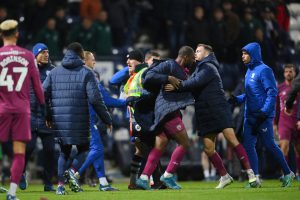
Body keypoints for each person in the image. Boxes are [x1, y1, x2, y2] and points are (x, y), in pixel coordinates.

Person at [165, 44, 257, 189]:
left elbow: (194, 83)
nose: (195, 53)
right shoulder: (199, 68)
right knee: (208, 149)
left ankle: (252, 175)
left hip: (218, 108)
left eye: (198, 51)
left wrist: (177, 86)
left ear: (207, 53)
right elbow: (192, 86)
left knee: (233, 141)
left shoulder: (209, 67)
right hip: (205, 111)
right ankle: (225, 176)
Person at [43, 42, 112, 195]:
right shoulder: (87, 72)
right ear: (81, 55)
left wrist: (48, 115)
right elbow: (95, 99)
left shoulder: (54, 72)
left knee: (64, 152)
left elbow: (43, 95)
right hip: (81, 119)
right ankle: (72, 171)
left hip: (59, 121)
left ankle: (60, 186)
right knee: (84, 149)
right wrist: (107, 119)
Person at [233, 42, 294, 187]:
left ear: (253, 54)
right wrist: (236, 99)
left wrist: (264, 111)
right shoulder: (248, 71)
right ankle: (255, 179)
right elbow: (250, 94)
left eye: (245, 53)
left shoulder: (265, 70)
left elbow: (272, 92)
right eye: (242, 53)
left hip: (263, 116)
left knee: (269, 144)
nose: (243, 56)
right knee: (248, 146)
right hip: (250, 115)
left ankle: (287, 173)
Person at [136, 46, 195, 190]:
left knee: (160, 143)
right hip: (168, 110)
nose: (194, 61)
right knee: (184, 143)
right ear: (186, 57)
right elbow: (148, 77)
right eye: (192, 58)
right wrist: (167, 77)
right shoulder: (169, 65)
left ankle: (144, 178)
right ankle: (168, 176)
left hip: (166, 110)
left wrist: (179, 86)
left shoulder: (182, 71)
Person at [0, 19, 45, 200]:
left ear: (1, 35)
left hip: (1, 109)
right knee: (19, 152)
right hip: (21, 110)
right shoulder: (27, 56)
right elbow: (37, 86)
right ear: (17, 34)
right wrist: (43, 107)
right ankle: (12, 193)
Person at [70, 51, 126, 191]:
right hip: (88, 120)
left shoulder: (76, 76)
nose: (94, 62)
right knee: (97, 148)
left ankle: (103, 182)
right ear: (85, 61)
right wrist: (127, 101)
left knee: (94, 150)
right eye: (92, 60)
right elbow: (107, 101)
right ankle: (74, 173)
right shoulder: (90, 77)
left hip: (78, 119)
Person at [18, 43, 56, 192]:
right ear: (35, 55)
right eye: (42, 52)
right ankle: (21, 172)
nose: (46, 54)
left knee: (50, 151)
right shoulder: (26, 71)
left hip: (47, 117)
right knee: (29, 148)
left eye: (47, 52)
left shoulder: (53, 71)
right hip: (30, 115)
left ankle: (48, 183)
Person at [274, 64, 300, 180]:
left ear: (295, 73)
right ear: (284, 73)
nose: (288, 73)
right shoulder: (279, 88)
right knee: (284, 147)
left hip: (297, 121)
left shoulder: (298, 87)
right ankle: (285, 174)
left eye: (291, 71)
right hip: (284, 122)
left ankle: (298, 174)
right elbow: (276, 107)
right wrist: (274, 123)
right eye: (286, 71)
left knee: (298, 149)